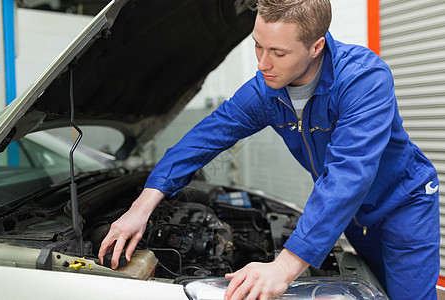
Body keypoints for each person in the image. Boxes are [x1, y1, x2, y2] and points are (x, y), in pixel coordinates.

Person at [98, 0, 440, 299]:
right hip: (352, 216)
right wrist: (143, 205)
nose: (262, 63)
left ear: (316, 46)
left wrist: (284, 268)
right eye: (258, 46)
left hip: (403, 207)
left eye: (278, 52)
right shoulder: (266, 91)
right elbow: (204, 137)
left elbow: (349, 175)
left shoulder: (364, 81)